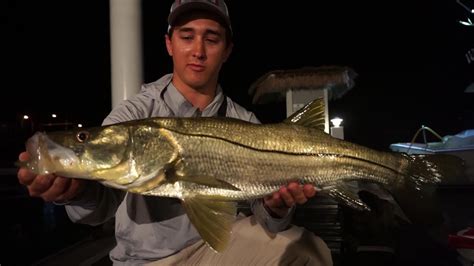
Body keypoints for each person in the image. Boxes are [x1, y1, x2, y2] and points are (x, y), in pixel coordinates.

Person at [17, 0, 332, 265]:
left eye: (211, 38)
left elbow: (265, 216)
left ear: (227, 50)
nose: (198, 51)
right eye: (186, 36)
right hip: (146, 261)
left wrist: (278, 206)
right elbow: (99, 208)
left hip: (215, 252)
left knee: (308, 251)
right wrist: (74, 192)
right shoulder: (135, 113)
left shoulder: (243, 120)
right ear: (169, 43)